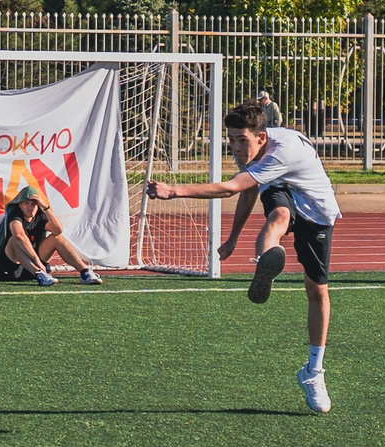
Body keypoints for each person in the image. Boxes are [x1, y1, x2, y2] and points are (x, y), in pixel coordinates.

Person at [145, 98, 342, 412]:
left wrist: (174, 190)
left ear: (261, 138)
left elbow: (231, 188)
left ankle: (313, 371)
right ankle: (266, 262)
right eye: (231, 140)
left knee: (317, 290)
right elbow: (249, 189)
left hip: (316, 208)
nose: (236, 147)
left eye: (242, 140)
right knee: (279, 215)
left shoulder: (281, 152)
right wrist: (233, 237)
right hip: (281, 189)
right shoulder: (253, 148)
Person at [0, 185, 104, 285]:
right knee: (15, 240)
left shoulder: (39, 216)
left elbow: (58, 230)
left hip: (32, 266)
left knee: (56, 238)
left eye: (34, 204)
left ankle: (85, 272)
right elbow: (19, 236)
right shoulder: (15, 215)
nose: (30, 207)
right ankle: (40, 274)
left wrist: (45, 207)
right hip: (12, 268)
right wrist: (37, 262)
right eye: (26, 203)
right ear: (19, 204)